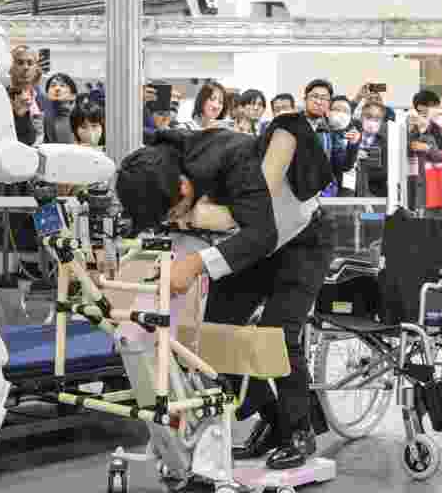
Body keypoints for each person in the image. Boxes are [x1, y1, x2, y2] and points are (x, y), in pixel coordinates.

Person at [115, 80, 336, 471]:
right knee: (216, 332)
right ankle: (273, 422)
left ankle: (301, 432)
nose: (175, 221)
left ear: (183, 186)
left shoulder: (233, 159)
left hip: (301, 240)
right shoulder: (167, 163)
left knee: (278, 334)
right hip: (249, 244)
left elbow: (262, 233)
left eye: (173, 212)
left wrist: (196, 264)